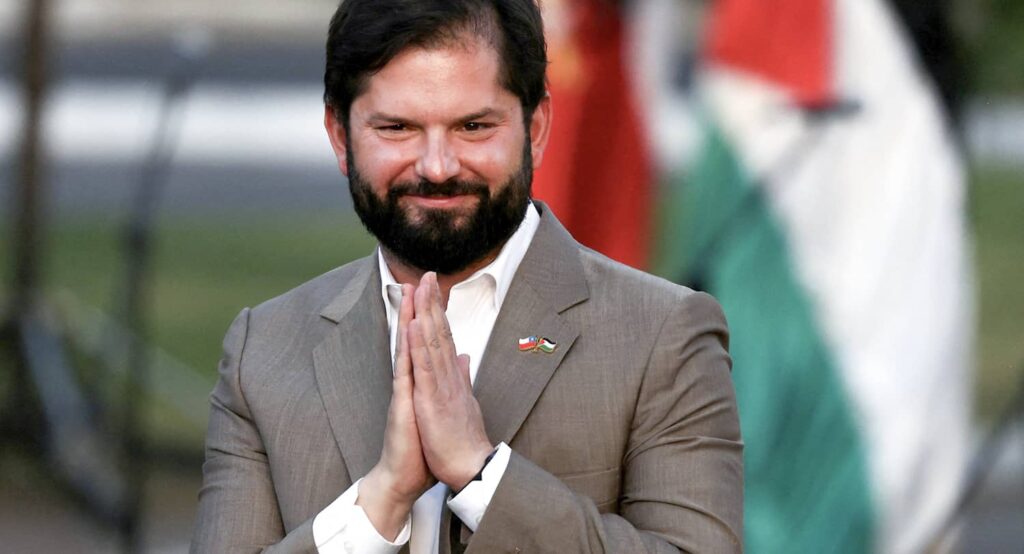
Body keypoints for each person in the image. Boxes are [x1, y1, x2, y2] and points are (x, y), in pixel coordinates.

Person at [191, 0, 742, 552]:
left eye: (473, 127)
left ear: (537, 126)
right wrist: (379, 505)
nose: (437, 166)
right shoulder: (261, 353)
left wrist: (484, 477)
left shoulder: (663, 335)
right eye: (398, 128)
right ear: (340, 134)